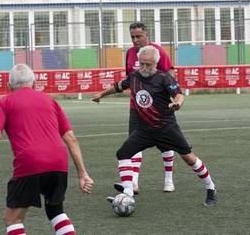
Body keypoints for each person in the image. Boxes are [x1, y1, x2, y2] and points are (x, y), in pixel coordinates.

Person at [0, 64, 94, 235]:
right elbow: (71, 138)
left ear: (8, 87)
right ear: (35, 83)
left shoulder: (5, 102)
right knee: (56, 211)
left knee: (13, 219)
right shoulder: (50, 101)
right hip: (59, 162)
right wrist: (83, 174)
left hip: (31, 162)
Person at [92, 46, 216, 206]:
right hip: (144, 130)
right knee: (123, 153)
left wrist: (177, 104)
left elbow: (179, 95)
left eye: (148, 64)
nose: (143, 67)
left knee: (189, 158)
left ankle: (210, 188)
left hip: (166, 128)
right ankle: (128, 193)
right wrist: (101, 94)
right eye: (141, 63)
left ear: (156, 63)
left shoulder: (164, 78)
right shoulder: (135, 76)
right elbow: (119, 86)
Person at [123, 22, 176, 194]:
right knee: (133, 143)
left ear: (147, 34)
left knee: (166, 143)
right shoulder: (130, 53)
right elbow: (130, 76)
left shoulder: (157, 51)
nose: (135, 40)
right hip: (137, 108)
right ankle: (134, 183)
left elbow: (170, 73)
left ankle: (168, 179)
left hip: (158, 109)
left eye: (138, 36)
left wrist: (170, 95)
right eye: (132, 37)